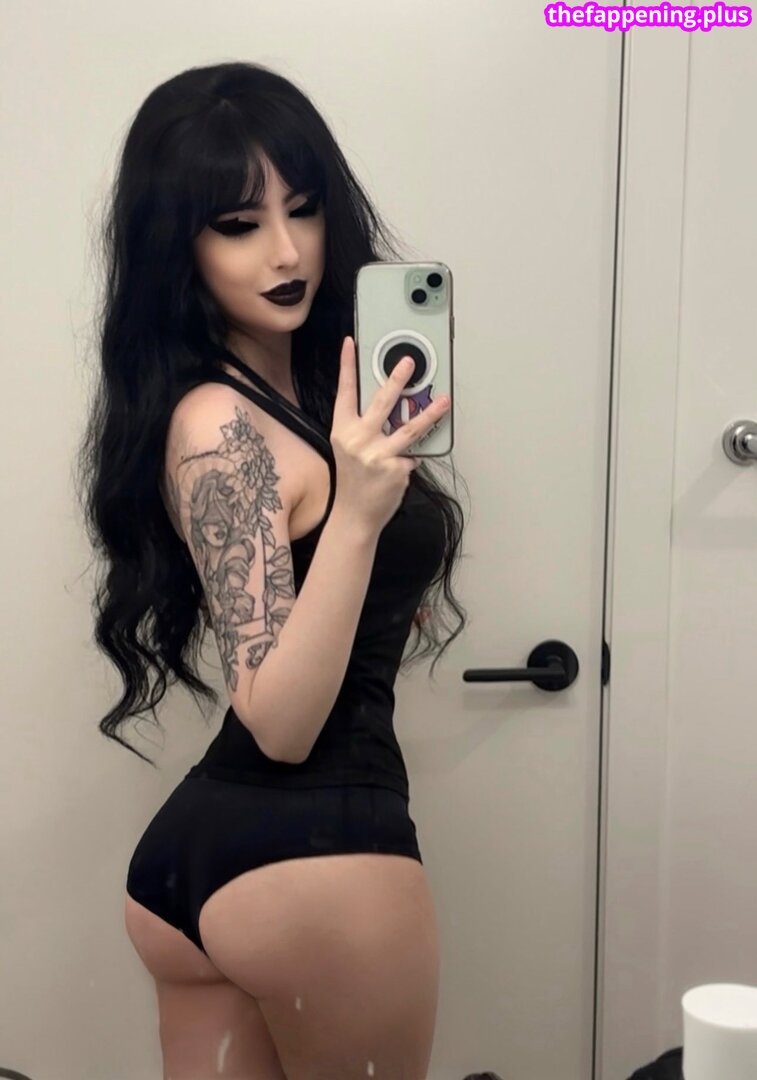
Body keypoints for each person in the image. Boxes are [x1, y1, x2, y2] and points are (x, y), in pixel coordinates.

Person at [76, 60, 467, 1079]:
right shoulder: (220, 424)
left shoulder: (295, 395)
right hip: (312, 855)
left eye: (303, 209)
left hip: (212, 861)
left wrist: (376, 570)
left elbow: (309, 603)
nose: (286, 251)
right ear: (178, 245)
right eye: (238, 224)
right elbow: (281, 723)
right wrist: (359, 522)